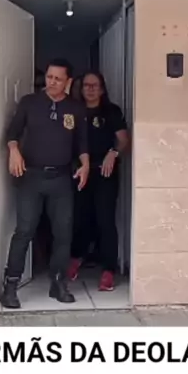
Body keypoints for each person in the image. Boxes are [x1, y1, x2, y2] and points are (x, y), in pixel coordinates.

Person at [1, 58, 90, 309]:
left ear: (68, 82)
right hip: (31, 177)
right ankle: (11, 285)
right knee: (24, 230)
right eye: (49, 77)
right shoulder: (30, 103)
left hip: (61, 179)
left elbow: (81, 143)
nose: (52, 82)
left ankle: (58, 283)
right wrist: (14, 151)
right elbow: (12, 133)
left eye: (58, 79)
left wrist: (85, 164)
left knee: (63, 232)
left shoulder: (75, 108)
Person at [68, 71, 129, 291]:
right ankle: (75, 258)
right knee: (79, 218)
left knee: (105, 220)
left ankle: (108, 270)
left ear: (102, 88)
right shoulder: (73, 110)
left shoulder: (111, 111)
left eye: (95, 85)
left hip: (105, 173)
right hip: (79, 172)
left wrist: (114, 152)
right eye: (86, 85)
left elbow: (124, 140)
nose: (90, 89)